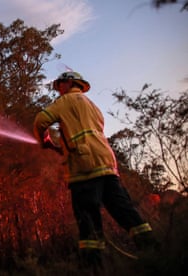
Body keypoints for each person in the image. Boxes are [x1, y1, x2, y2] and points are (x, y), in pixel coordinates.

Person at [33, 71, 157, 269]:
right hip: (107, 164)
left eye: (60, 86)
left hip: (84, 168)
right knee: (125, 211)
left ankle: (93, 267)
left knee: (88, 221)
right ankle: (155, 253)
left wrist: (45, 140)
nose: (58, 90)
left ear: (69, 83)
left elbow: (41, 121)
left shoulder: (65, 101)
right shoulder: (93, 106)